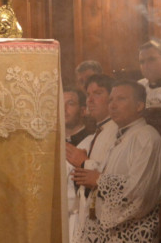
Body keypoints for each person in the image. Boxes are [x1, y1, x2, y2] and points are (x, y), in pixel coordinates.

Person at [71, 81, 161, 242]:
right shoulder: (118, 137)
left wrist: (98, 180)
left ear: (139, 106)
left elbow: (140, 192)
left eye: (121, 99)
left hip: (133, 232)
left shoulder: (146, 138)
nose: (113, 105)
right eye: (111, 100)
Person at [65, 74, 116, 242]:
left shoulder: (117, 133)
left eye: (98, 93)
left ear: (112, 97)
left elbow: (115, 181)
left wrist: (84, 163)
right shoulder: (95, 136)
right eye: (88, 95)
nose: (90, 100)